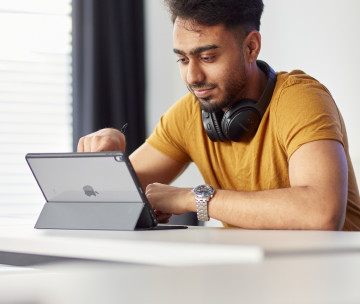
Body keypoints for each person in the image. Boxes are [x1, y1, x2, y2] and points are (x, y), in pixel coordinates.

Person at [77, 0, 360, 230]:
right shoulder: (190, 113)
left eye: (207, 58)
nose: (192, 76)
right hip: (253, 275)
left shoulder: (300, 99)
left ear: (251, 47)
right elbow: (103, 199)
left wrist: (192, 199)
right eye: (183, 59)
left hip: (333, 277)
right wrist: (110, 150)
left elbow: (320, 214)